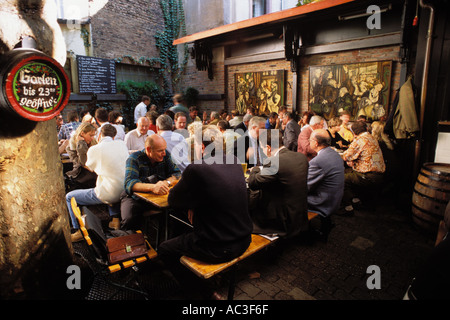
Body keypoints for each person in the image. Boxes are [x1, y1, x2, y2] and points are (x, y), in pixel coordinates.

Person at [158, 128, 252, 299]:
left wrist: (191, 204)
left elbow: (173, 200)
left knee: (164, 249)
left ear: (202, 147)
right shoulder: (234, 161)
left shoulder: (196, 168)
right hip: (244, 239)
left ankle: (202, 293)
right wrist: (193, 205)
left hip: (218, 248)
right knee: (186, 228)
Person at [67, 124, 129, 242]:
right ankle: (115, 221)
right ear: (114, 136)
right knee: (112, 180)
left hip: (108, 193)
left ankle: (79, 230)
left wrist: (81, 144)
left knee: (69, 197)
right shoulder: (121, 144)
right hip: (124, 191)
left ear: (100, 135)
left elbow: (87, 165)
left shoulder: (95, 149)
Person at [248, 129, 309, 239]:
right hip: (299, 213)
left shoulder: (274, 162)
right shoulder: (301, 157)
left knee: (252, 198)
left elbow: (253, 182)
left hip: (283, 220)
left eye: (262, 148)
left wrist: (255, 169)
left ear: (268, 148)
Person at [120, 134, 180, 230]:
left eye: (164, 149)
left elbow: (177, 174)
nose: (164, 153)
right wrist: (153, 187)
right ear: (148, 150)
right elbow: (129, 183)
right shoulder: (134, 158)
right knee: (129, 219)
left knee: (178, 211)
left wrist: (166, 182)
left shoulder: (165, 155)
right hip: (135, 198)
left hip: (158, 197)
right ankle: (128, 240)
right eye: (160, 151)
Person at [340, 120, 385, 215]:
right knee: (348, 172)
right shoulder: (372, 138)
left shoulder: (359, 140)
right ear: (367, 129)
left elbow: (345, 156)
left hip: (367, 176)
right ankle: (355, 200)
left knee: (340, 178)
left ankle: (348, 208)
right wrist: (354, 162)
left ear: (354, 132)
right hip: (379, 175)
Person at [307, 129, 345, 240]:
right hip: (335, 198)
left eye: (310, 139)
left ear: (316, 143)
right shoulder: (334, 154)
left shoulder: (317, 161)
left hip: (324, 202)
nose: (309, 141)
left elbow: (306, 187)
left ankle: (304, 233)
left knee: (291, 197)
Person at [65, 122, 98, 189]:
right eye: (90, 135)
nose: (92, 138)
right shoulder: (71, 146)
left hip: (94, 170)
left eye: (93, 135)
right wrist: (81, 144)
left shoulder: (93, 142)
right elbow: (83, 162)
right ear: (82, 134)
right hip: (80, 172)